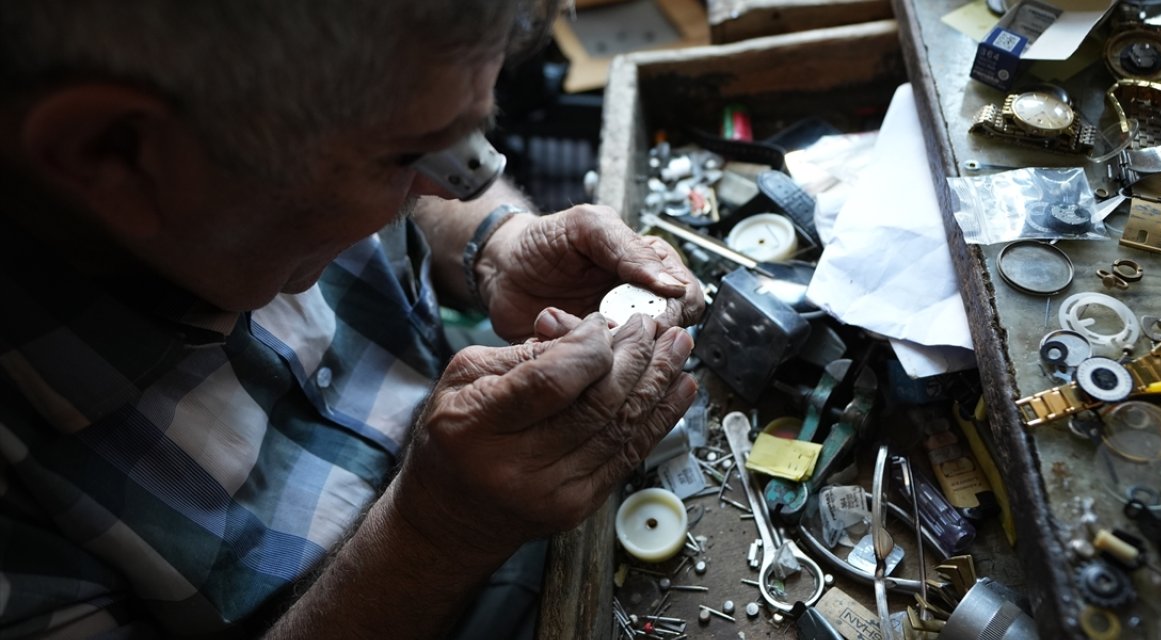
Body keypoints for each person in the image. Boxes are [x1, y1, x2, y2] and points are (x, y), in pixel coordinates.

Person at [0, 1, 704, 638]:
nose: (466, 174)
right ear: (113, 154)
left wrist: (494, 243)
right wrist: (432, 539)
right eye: (404, 155)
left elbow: (426, 158)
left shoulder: (246, 135)